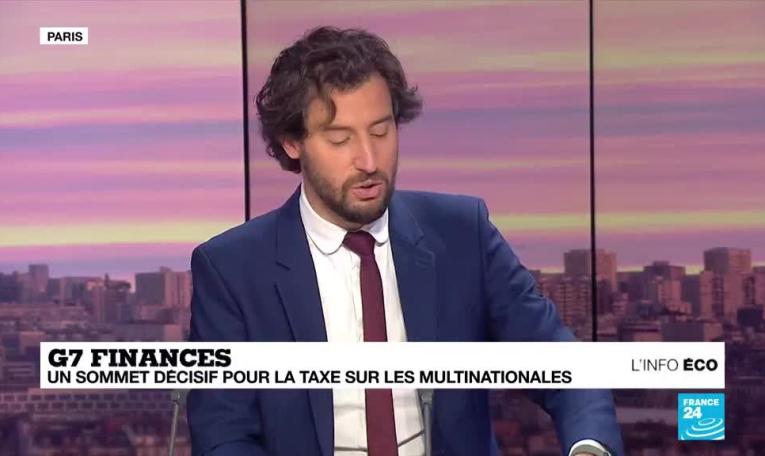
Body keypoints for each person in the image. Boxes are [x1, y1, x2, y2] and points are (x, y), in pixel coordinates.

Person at [187, 26, 623, 456]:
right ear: (292, 142)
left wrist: (590, 448)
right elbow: (224, 435)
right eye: (340, 139)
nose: (369, 160)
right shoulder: (232, 269)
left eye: (381, 131)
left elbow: (563, 365)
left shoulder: (462, 233)